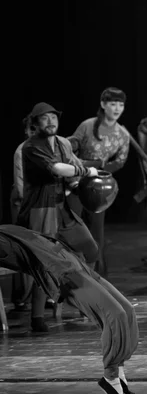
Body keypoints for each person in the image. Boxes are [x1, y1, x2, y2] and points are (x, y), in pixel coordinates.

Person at [0, 224, 138, 394]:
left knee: (127, 310)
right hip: (63, 275)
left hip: (74, 262)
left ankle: (119, 368)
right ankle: (110, 376)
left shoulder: (8, 229)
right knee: (115, 313)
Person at [19, 102, 99, 331]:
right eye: (45, 118)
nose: (51, 121)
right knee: (43, 263)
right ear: (35, 124)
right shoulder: (31, 146)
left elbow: (71, 168)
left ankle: (83, 300)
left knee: (90, 249)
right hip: (40, 212)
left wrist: (79, 177)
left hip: (62, 209)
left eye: (54, 117)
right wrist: (84, 171)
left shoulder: (62, 144)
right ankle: (37, 317)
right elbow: (56, 169)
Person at [67, 87, 130, 277]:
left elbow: (120, 162)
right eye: (112, 104)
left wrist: (102, 170)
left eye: (121, 104)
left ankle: (95, 276)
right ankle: (69, 274)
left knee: (96, 233)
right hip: (76, 183)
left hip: (100, 187)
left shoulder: (122, 134)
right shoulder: (87, 125)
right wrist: (89, 166)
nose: (117, 108)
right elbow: (70, 149)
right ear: (103, 105)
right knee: (72, 229)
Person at [10, 118, 37, 311]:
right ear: (27, 131)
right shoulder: (23, 150)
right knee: (23, 249)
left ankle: (41, 293)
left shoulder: (46, 147)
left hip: (39, 203)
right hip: (23, 204)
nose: (34, 132)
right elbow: (21, 187)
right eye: (31, 129)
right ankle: (22, 296)